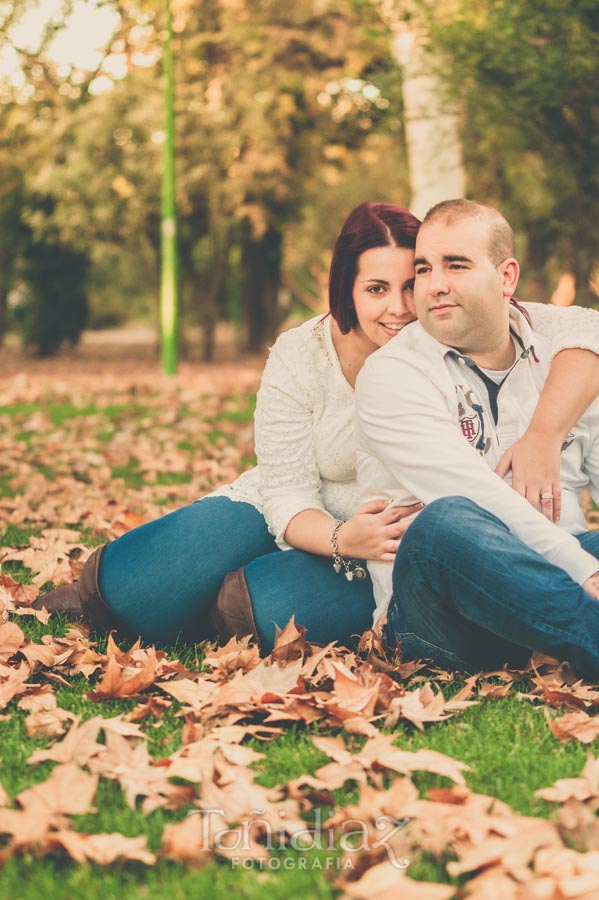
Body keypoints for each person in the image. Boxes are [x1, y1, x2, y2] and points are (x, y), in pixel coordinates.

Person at [34, 202, 599, 654]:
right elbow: (286, 491)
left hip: (392, 529)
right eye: (378, 289)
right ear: (346, 289)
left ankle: (224, 612)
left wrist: (544, 436)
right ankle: (98, 597)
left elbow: (580, 328)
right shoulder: (308, 355)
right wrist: (339, 539)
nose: (405, 306)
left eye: (416, 281)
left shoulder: (468, 330)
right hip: (307, 509)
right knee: (141, 593)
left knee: (255, 607)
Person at [354, 199, 599, 679]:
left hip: (554, 578)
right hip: (442, 612)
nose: (435, 284)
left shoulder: (566, 359)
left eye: (456, 265)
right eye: (423, 269)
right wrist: (586, 571)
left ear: (507, 277)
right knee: (444, 523)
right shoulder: (391, 374)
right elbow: (474, 495)